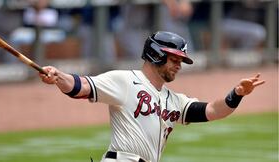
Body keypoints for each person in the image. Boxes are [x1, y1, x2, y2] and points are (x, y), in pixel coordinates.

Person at [39, 31, 265, 162]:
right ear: (156, 54)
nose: (178, 65)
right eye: (174, 59)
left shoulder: (174, 100)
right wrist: (58, 76)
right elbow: (81, 86)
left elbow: (213, 111)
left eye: (180, 61)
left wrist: (236, 94)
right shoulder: (125, 81)